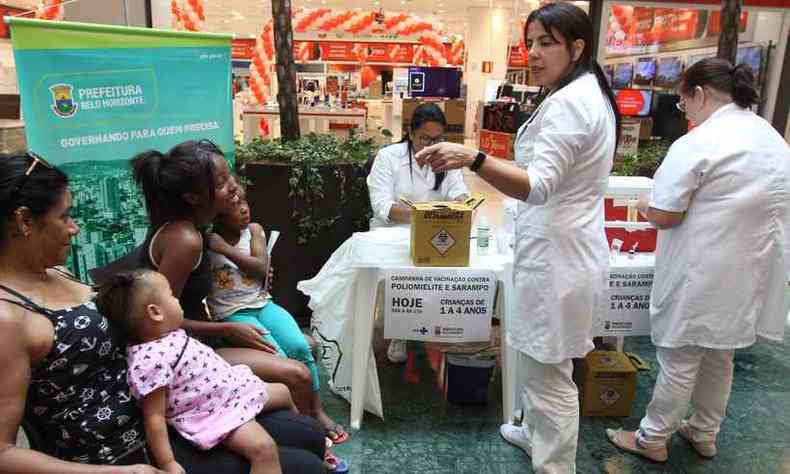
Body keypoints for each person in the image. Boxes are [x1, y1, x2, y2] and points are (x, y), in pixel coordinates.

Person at [0, 152, 326, 473]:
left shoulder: (56, 271)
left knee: (307, 433)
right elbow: (4, 452)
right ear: (25, 221)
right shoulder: (8, 318)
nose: (74, 229)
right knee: (305, 465)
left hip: (164, 411)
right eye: (64, 217)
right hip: (120, 452)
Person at [415, 4, 620, 472]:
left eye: (546, 42)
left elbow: (539, 185)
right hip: (558, 250)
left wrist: (474, 158)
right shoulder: (578, 93)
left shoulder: (572, 102)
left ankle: (555, 465)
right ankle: (534, 434)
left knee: (549, 372)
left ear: (577, 47)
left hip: (559, 257)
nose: (533, 52)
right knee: (537, 357)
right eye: (529, 42)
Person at [606, 58, 790, 462]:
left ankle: (652, 439)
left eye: (683, 102)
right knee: (720, 354)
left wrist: (643, 203)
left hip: (701, 270)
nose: (684, 111)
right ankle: (704, 432)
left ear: (700, 94)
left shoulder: (699, 142)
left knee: (680, 356)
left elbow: (667, 213)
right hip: (749, 272)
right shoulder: (773, 140)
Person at [121, 140, 322, 429]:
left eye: (230, 176)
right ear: (193, 197)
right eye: (221, 182)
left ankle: (308, 431)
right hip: (186, 352)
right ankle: (307, 437)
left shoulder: (201, 228)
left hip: (203, 335)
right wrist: (228, 329)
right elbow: (159, 325)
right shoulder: (185, 239)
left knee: (303, 347)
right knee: (297, 374)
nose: (232, 186)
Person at [95, 269, 295, 474]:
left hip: (231, 389)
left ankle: (317, 445)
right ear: (156, 312)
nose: (176, 300)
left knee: (284, 391)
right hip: (213, 412)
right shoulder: (149, 362)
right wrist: (167, 462)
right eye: (171, 295)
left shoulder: (164, 334)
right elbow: (154, 417)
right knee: (264, 449)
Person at [207, 185, 349, 444]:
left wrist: (224, 250)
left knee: (299, 346)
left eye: (245, 202)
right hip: (232, 314)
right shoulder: (205, 240)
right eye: (234, 205)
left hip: (264, 305)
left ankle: (316, 412)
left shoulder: (254, 231)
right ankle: (299, 422)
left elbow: (261, 268)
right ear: (217, 214)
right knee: (281, 359)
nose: (244, 208)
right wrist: (214, 246)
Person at [367, 102, 470, 363]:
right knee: (404, 271)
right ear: (411, 133)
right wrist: (425, 214)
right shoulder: (389, 157)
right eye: (424, 138)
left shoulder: (447, 160)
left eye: (437, 139)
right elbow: (382, 206)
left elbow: (460, 194)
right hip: (392, 232)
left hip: (436, 231)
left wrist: (459, 204)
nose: (430, 145)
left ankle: (429, 324)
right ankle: (400, 330)